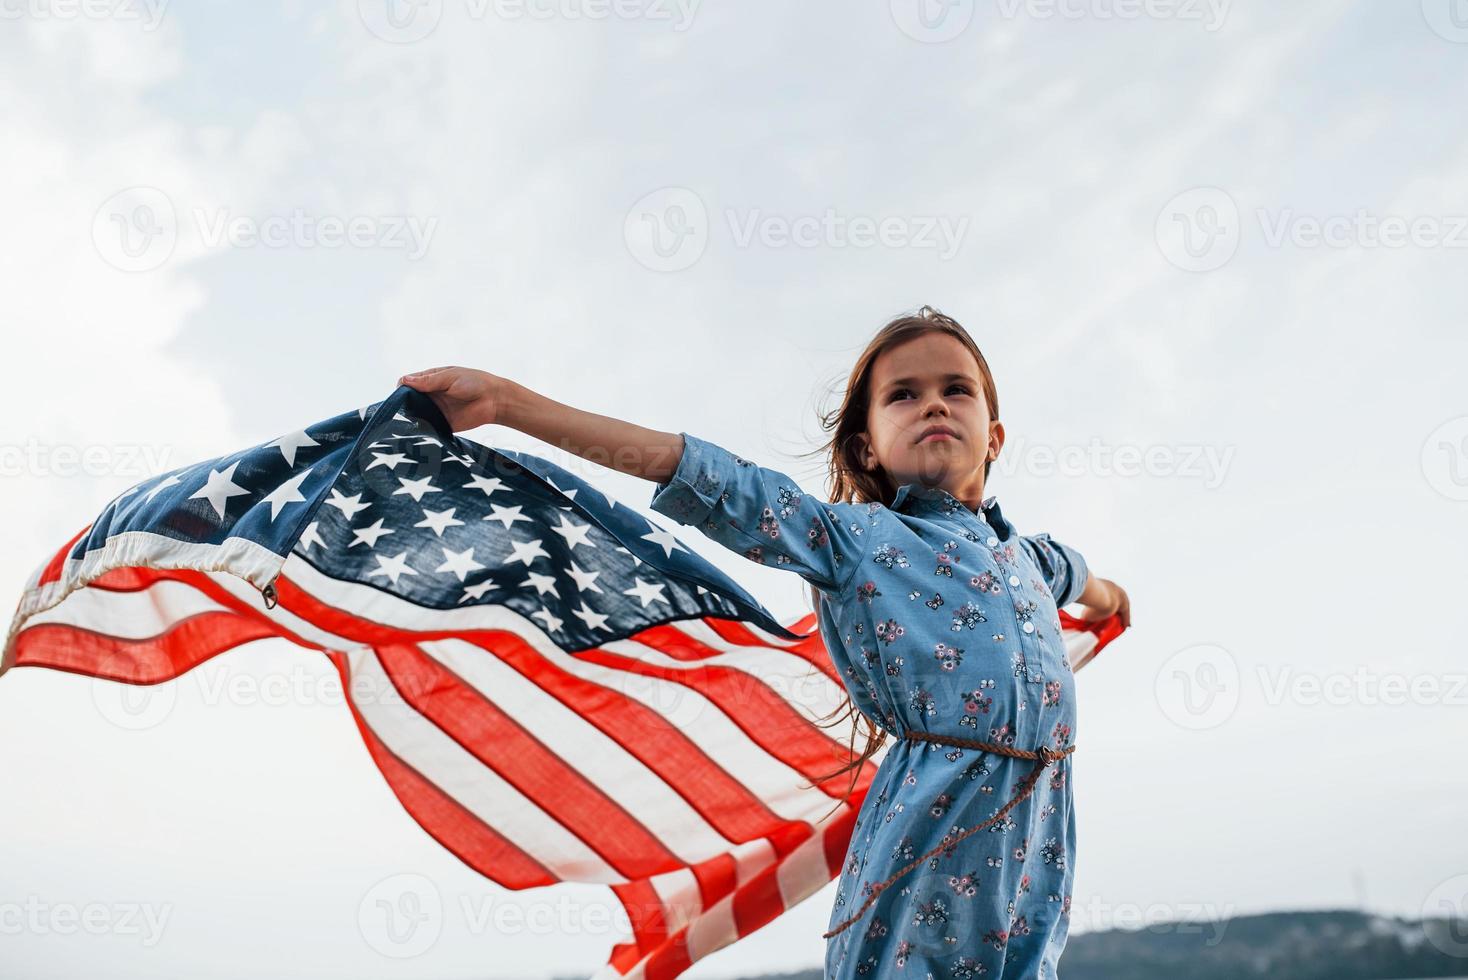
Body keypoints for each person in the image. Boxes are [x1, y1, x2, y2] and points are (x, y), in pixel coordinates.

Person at [397, 304, 1130, 979]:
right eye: (903, 394)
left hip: (1037, 848)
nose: (933, 402)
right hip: (926, 849)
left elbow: (1083, 577)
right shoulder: (858, 540)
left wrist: (1112, 602)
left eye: (956, 389)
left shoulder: (1031, 559)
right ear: (868, 449)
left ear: (994, 436)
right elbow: (711, 477)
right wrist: (509, 404)